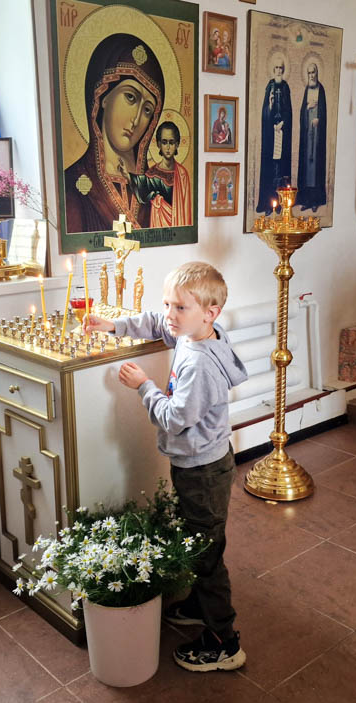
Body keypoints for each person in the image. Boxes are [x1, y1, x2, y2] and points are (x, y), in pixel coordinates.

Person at [85, 261, 249, 672]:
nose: (170, 315)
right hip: (203, 462)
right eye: (168, 304)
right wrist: (114, 325)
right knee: (199, 540)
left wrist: (144, 386)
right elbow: (157, 322)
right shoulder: (199, 333)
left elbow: (175, 418)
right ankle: (198, 605)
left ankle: (223, 641)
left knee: (207, 555)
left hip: (202, 470)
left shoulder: (198, 362)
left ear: (210, 313)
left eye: (180, 307)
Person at [64, 34, 165, 233]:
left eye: (147, 110)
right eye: (130, 97)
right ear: (103, 96)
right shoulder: (72, 184)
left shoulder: (155, 189)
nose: (136, 119)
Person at [121, 121, 192, 227]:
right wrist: (127, 175)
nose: (168, 147)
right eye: (164, 142)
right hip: (158, 227)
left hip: (178, 226)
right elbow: (142, 185)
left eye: (171, 142)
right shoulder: (152, 173)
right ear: (159, 144)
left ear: (177, 144)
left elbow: (186, 209)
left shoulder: (182, 174)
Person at [257, 55, 292, 214]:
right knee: (270, 168)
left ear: (283, 70)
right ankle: (268, 203)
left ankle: (279, 204)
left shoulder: (285, 87)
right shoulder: (269, 86)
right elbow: (265, 112)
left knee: (280, 168)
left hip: (282, 133)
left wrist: (282, 123)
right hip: (271, 134)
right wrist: (270, 105)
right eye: (276, 68)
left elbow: (289, 111)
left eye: (281, 68)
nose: (278, 71)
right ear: (273, 69)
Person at [296, 61, 327, 212]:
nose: (311, 75)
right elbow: (302, 112)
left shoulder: (321, 90)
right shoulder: (306, 90)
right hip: (307, 135)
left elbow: (323, 112)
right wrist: (307, 108)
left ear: (317, 73)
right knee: (306, 168)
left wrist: (318, 119)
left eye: (313, 72)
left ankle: (315, 200)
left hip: (317, 137)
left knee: (315, 168)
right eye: (309, 73)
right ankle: (306, 200)